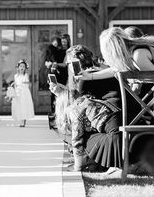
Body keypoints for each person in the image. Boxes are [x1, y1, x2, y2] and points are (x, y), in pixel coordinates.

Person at [50, 44, 122, 172]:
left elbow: (78, 105)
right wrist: (62, 91)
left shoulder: (85, 78)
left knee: (73, 113)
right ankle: (83, 158)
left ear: (75, 63)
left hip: (110, 118)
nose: (67, 66)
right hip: (119, 112)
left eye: (68, 63)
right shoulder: (101, 71)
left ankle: (80, 159)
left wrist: (59, 93)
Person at [11, 59, 34, 127]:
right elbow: (16, 84)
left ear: (25, 68)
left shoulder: (25, 75)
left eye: (23, 66)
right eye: (20, 66)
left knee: (24, 106)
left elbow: (27, 83)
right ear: (18, 67)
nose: (22, 68)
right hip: (18, 92)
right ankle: (20, 119)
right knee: (18, 106)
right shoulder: (16, 76)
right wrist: (14, 85)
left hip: (24, 92)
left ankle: (23, 121)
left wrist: (24, 83)